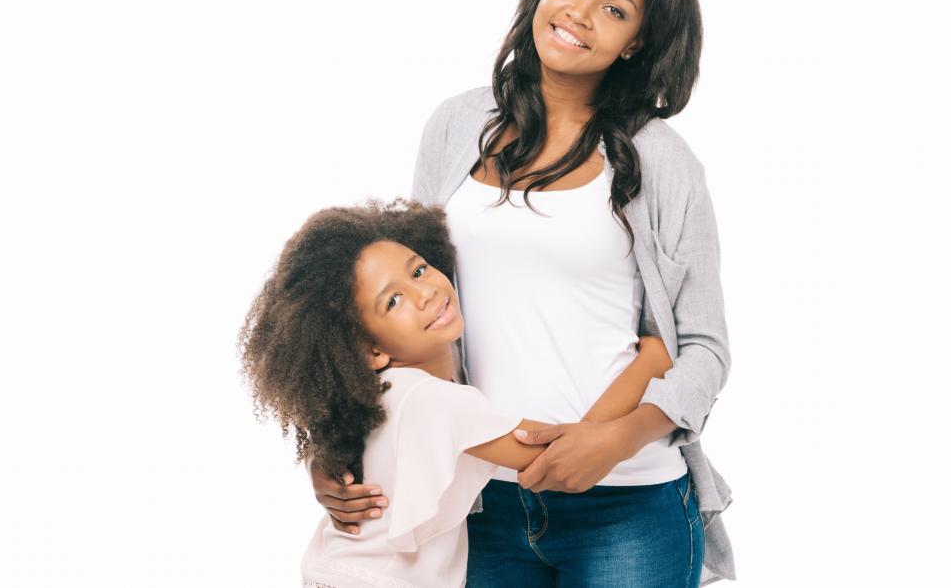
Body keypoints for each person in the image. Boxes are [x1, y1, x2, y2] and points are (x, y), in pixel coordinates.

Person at [309, 0, 735, 586]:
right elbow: (402, 313)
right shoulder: (456, 125)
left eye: (614, 9)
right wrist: (335, 443)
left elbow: (703, 348)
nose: (579, 13)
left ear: (638, 41)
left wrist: (615, 441)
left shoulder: (661, 161)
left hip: (627, 505)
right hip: (484, 501)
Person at [238, 199, 675, 588]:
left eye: (418, 269)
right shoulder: (437, 402)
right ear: (369, 350)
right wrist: (651, 362)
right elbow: (561, 453)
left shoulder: (373, 398)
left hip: (331, 569)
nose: (425, 292)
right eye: (393, 301)